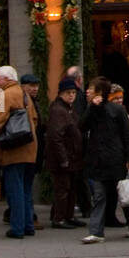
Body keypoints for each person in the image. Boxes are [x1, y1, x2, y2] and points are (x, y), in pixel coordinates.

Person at [79, 77, 129, 244]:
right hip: (97, 160)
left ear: (100, 92)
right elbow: (82, 126)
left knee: (124, 193)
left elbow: (126, 135)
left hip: (115, 159)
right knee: (99, 195)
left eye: (91, 89)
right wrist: (92, 108)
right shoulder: (93, 109)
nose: (87, 91)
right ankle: (96, 231)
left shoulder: (116, 110)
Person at [0, 65, 38, 240]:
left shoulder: (3, 95)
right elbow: (34, 119)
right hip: (29, 148)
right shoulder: (25, 94)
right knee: (25, 190)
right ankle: (28, 225)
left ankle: (17, 227)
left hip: (13, 150)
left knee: (14, 190)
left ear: (7, 79)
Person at [44, 77, 85, 229]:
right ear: (61, 93)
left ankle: (68, 216)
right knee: (63, 189)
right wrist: (63, 159)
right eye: (68, 92)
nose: (71, 95)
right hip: (63, 158)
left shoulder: (68, 108)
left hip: (71, 156)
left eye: (73, 92)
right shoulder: (58, 110)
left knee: (71, 188)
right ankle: (59, 218)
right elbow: (56, 137)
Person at [108, 84, 129, 236]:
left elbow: (128, 137)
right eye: (115, 98)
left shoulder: (123, 114)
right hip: (115, 156)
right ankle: (110, 217)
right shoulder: (114, 112)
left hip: (120, 157)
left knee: (125, 190)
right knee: (114, 190)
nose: (119, 101)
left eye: (120, 98)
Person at [65, 65, 92, 219]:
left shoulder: (74, 97)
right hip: (77, 142)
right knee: (78, 176)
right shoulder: (78, 96)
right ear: (80, 80)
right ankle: (85, 207)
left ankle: (84, 206)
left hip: (75, 142)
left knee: (77, 177)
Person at [20, 74, 44, 229]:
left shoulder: (33, 101)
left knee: (23, 186)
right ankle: (27, 219)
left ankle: (25, 218)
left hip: (30, 149)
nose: (35, 89)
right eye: (31, 85)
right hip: (24, 150)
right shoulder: (3, 96)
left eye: (36, 85)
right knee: (24, 187)